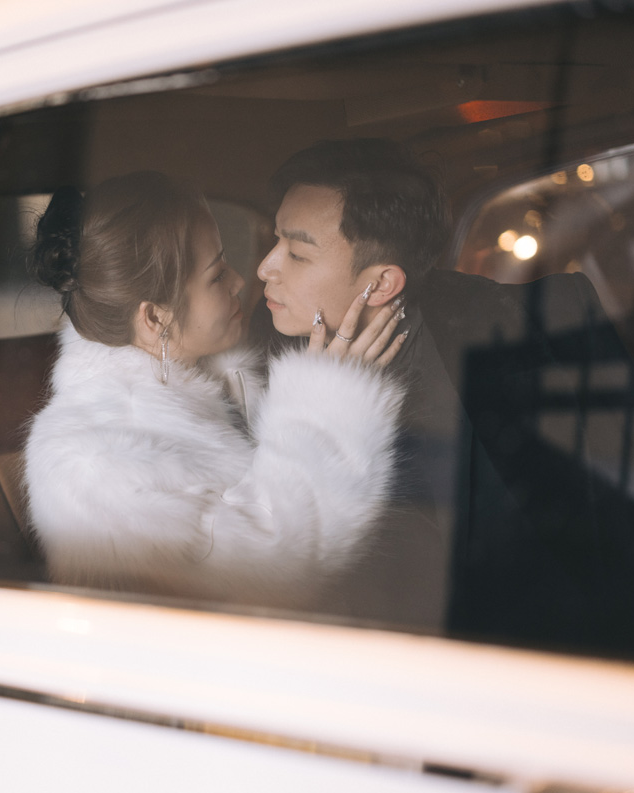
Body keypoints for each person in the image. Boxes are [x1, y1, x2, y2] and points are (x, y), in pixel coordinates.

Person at [254, 140, 634, 661]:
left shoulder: (520, 336)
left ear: (383, 282)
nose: (265, 267)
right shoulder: (248, 365)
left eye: (296, 253)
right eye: (276, 241)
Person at [24, 171, 407, 609]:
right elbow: (271, 571)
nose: (241, 281)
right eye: (216, 274)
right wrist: (328, 409)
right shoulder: (95, 465)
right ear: (155, 319)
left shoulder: (215, 378)